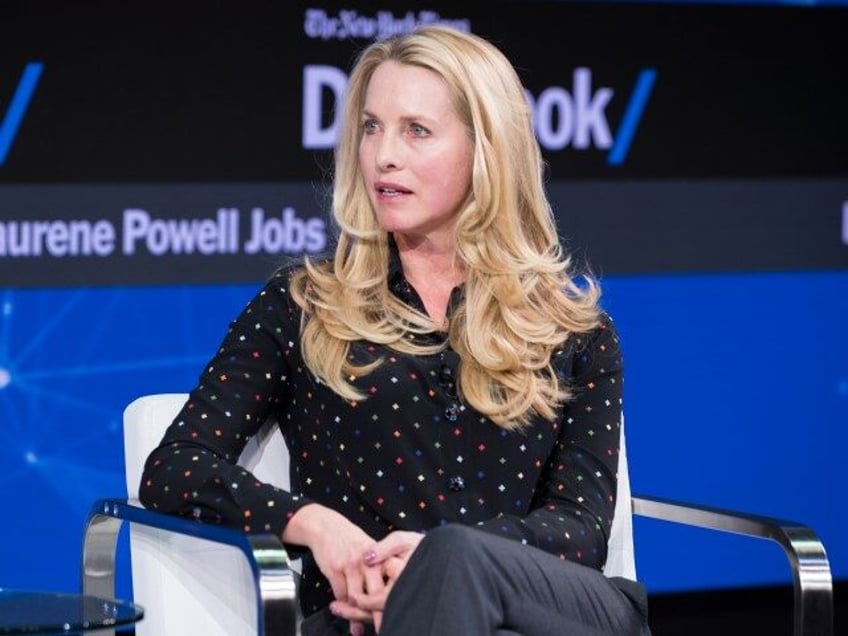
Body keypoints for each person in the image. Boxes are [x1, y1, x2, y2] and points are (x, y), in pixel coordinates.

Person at [139, 24, 649, 635]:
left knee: (454, 558)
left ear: (484, 149)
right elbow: (175, 466)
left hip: (551, 615)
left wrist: (442, 561)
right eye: (372, 127)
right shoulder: (305, 307)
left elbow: (579, 530)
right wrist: (312, 523)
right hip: (369, 616)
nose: (384, 154)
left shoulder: (574, 331)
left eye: (417, 131)